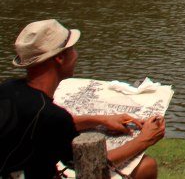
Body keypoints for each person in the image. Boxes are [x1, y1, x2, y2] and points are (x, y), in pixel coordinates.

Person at [0, 20, 165, 179]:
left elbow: (47, 125)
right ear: (60, 58)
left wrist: (101, 120)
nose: (76, 55)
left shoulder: (9, 88)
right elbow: (91, 164)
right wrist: (144, 139)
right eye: (72, 49)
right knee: (146, 166)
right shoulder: (52, 115)